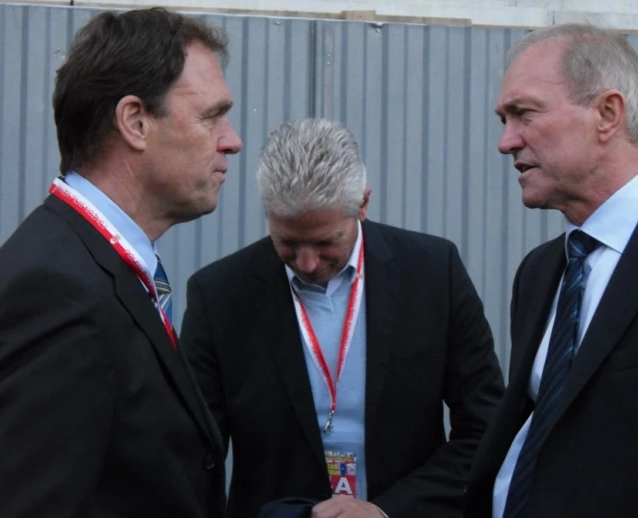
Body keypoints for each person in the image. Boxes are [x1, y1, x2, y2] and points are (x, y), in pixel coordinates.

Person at [0, 8, 242, 517]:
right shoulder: (54, 295)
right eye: (210, 116)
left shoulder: (89, 266)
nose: (232, 140)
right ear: (135, 121)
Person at [464, 23, 638, 518]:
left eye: (523, 114)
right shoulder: (540, 271)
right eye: (503, 120)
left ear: (607, 114)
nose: (505, 142)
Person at [180, 118, 505, 518]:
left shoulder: (435, 274)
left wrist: (388, 511)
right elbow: (192, 455)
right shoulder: (219, 296)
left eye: (325, 241)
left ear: (363, 204)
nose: (307, 262)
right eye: (287, 241)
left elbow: (486, 427)